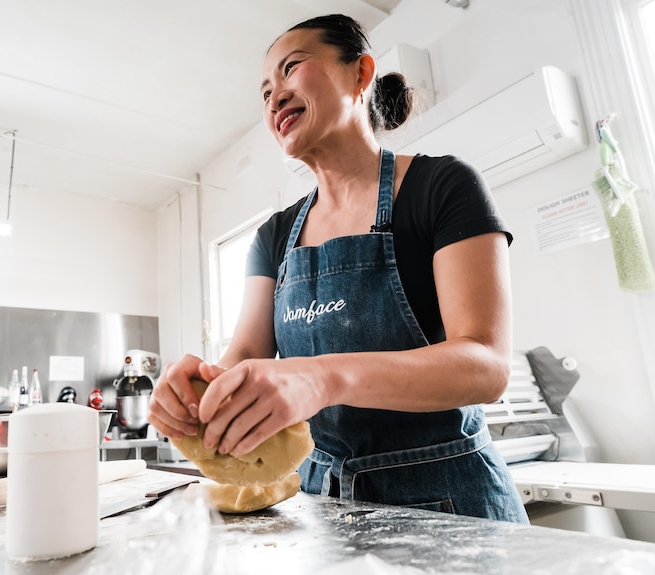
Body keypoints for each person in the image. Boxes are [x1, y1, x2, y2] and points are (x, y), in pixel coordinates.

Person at [149, 14, 528, 523]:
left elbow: (486, 365)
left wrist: (325, 377)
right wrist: (196, 393)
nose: (274, 98)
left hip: (452, 501)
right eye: (264, 92)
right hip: (319, 507)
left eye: (291, 69)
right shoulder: (275, 235)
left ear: (360, 72)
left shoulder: (442, 186)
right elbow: (243, 358)